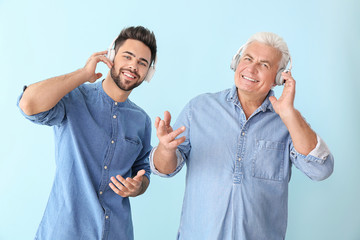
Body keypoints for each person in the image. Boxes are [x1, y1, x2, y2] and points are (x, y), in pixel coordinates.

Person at [150, 32, 334, 240]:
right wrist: (165, 149)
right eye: (247, 59)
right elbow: (164, 170)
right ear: (236, 62)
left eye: (264, 65)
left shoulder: (290, 123)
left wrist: (290, 114)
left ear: (278, 77)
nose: (251, 69)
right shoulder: (198, 108)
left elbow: (321, 170)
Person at [17, 26, 157, 240]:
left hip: (118, 233)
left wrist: (138, 187)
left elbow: (143, 171)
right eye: (127, 56)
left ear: (148, 73)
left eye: (142, 63)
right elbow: (28, 104)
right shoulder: (73, 99)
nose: (133, 66)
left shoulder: (142, 121)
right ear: (111, 56)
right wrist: (83, 74)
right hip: (65, 232)